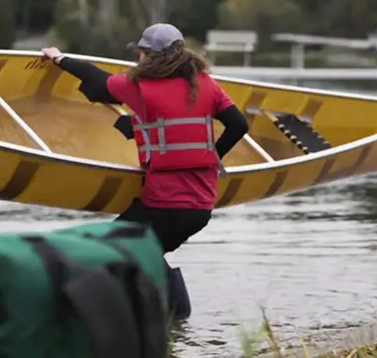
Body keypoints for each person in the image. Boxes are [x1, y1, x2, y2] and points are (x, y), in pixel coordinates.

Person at [41, 23, 248, 254]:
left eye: (141, 52)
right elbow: (239, 125)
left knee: (105, 251)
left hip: (163, 206)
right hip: (201, 209)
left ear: (150, 56)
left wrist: (59, 59)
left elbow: (96, 81)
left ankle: (152, 288)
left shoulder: (139, 86)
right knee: (145, 257)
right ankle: (159, 287)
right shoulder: (206, 83)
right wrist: (211, 158)